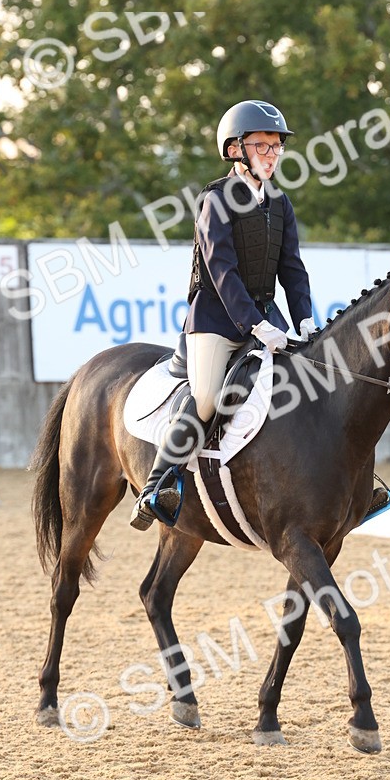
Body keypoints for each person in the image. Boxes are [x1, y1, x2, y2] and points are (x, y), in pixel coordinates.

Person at [130, 99, 316, 530]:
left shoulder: (280, 203)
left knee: (310, 383)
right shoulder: (215, 200)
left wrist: (304, 317)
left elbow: (293, 269)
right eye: (262, 146)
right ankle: (157, 486)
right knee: (209, 399)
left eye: (277, 147)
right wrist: (256, 325)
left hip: (267, 319)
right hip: (217, 321)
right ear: (236, 149)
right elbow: (222, 271)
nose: (272, 155)